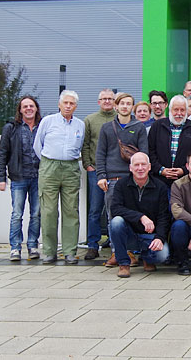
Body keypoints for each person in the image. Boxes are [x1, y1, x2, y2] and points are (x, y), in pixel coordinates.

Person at [96, 92, 149, 265]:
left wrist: (140, 175)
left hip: (132, 178)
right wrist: (101, 176)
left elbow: (143, 153)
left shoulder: (139, 127)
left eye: (128, 103)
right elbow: (100, 154)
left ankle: (132, 252)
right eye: (122, 103)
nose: (125, 106)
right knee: (113, 217)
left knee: (133, 216)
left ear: (132, 107)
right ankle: (116, 252)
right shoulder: (106, 128)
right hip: (112, 179)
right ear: (116, 106)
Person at [33, 90, 85, 264]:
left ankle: (70, 251)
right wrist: (49, 162)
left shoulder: (80, 124)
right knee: (48, 211)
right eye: (65, 103)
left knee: (71, 211)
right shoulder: (48, 121)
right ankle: (49, 251)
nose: (68, 106)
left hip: (71, 167)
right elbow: (37, 146)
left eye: (72, 103)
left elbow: (80, 147)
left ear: (76, 106)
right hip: (50, 166)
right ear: (59, 104)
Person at [109, 152, 170, 278]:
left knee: (163, 255)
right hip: (129, 234)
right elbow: (115, 209)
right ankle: (124, 264)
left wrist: (159, 238)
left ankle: (147, 258)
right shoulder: (121, 185)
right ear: (130, 168)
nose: (140, 168)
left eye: (143, 164)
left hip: (149, 236)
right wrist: (140, 217)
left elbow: (164, 216)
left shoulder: (160, 187)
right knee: (116, 222)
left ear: (149, 167)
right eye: (136, 165)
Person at [0, 96, 42, 261]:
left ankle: (32, 246)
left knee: (36, 214)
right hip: (18, 177)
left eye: (31, 106)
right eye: (25, 106)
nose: (28, 108)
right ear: (20, 110)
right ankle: (15, 248)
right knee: (17, 214)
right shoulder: (11, 128)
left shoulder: (42, 126)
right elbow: (2, 154)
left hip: (39, 177)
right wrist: (1, 177)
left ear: (36, 108)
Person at [82, 88, 116, 259]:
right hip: (95, 171)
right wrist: (87, 165)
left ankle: (114, 242)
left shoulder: (120, 119)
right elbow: (86, 144)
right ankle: (92, 245)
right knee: (95, 210)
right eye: (104, 99)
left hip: (116, 172)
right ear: (99, 102)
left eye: (110, 99)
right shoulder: (90, 120)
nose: (107, 101)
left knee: (115, 209)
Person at [148, 95, 191, 188]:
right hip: (159, 181)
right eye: (176, 110)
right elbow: (150, 151)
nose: (179, 113)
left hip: (185, 181)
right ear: (169, 110)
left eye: (182, 110)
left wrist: (184, 170)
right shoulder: (157, 126)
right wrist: (161, 170)